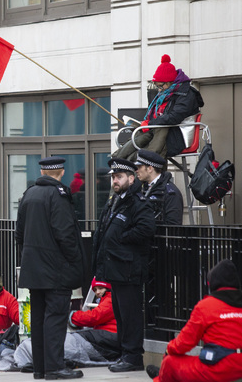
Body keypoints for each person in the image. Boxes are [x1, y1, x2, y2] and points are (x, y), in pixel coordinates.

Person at [146, 259, 242, 382]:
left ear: (213, 284)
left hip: (219, 368)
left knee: (170, 363)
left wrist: (168, 349)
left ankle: (159, 377)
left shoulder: (206, 306)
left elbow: (184, 343)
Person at [16, 155, 85, 380]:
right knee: (55, 318)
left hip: (34, 269)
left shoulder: (29, 194)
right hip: (56, 269)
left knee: (38, 318)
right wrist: (75, 262)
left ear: (43, 172)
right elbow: (65, 235)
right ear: (62, 172)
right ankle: (54, 368)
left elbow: (19, 234)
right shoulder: (59, 195)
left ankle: (41, 368)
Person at [93, 158, 156, 372]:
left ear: (131, 178)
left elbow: (146, 229)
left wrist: (121, 238)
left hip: (129, 269)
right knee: (121, 315)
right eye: (113, 177)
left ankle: (133, 357)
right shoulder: (115, 200)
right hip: (116, 269)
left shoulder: (138, 202)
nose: (115, 181)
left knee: (130, 315)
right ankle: (125, 353)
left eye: (119, 177)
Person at [112, 55, 204, 161]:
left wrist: (150, 124)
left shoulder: (186, 94)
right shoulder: (164, 94)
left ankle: (122, 161)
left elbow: (174, 117)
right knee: (141, 135)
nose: (159, 90)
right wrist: (148, 123)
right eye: (157, 86)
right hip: (162, 134)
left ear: (170, 82)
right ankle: (119, 159)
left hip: (177, 137)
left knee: (140, 151)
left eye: (161, 86)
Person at [66, 278, 120, 366]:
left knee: (78, 337)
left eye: (100, 288)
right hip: (110, 336)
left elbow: (93, 317)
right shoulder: (108, 299)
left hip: (111, 335)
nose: (97, 292)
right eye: (95, 290)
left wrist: (72, 316)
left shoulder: (110, 299)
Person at [133, 149, 183, 225]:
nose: (136, 170)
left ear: (150, 169)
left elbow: (173, 225)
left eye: (139, 167)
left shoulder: (170, 193)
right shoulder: (141, 188)